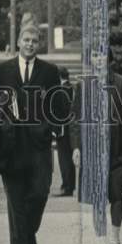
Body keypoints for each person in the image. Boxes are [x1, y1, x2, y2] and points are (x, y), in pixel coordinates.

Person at [0, 24, 68, 244]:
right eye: (26, 40)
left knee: (39, 192)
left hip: (39, 145)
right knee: (16, 197)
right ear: (18, 41)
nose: (30, 44)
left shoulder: (49, 71)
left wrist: (48, 126)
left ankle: (27, 235)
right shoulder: (3, 69)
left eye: (35, 41)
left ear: (38, 45)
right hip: (10, 144)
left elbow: (59, 106)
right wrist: (4, 106)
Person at [70, 53, 122, 244]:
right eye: (94, 54)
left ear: (109, 57)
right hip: (93, 152)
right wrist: (76, 147)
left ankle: (114, 237)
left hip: (119, 149)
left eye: (102, 54)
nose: (98, 58)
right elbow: (75, 119)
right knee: (98, 199)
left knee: (118, 196)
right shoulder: (84, 87)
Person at [52, 66, 76, 197]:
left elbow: (61, 112)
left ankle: (67, 187)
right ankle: (69, 185)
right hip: (71, 129)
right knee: (68, 159)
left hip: (63, 129)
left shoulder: (61, 90)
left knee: (64, 159)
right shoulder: (71, 88)